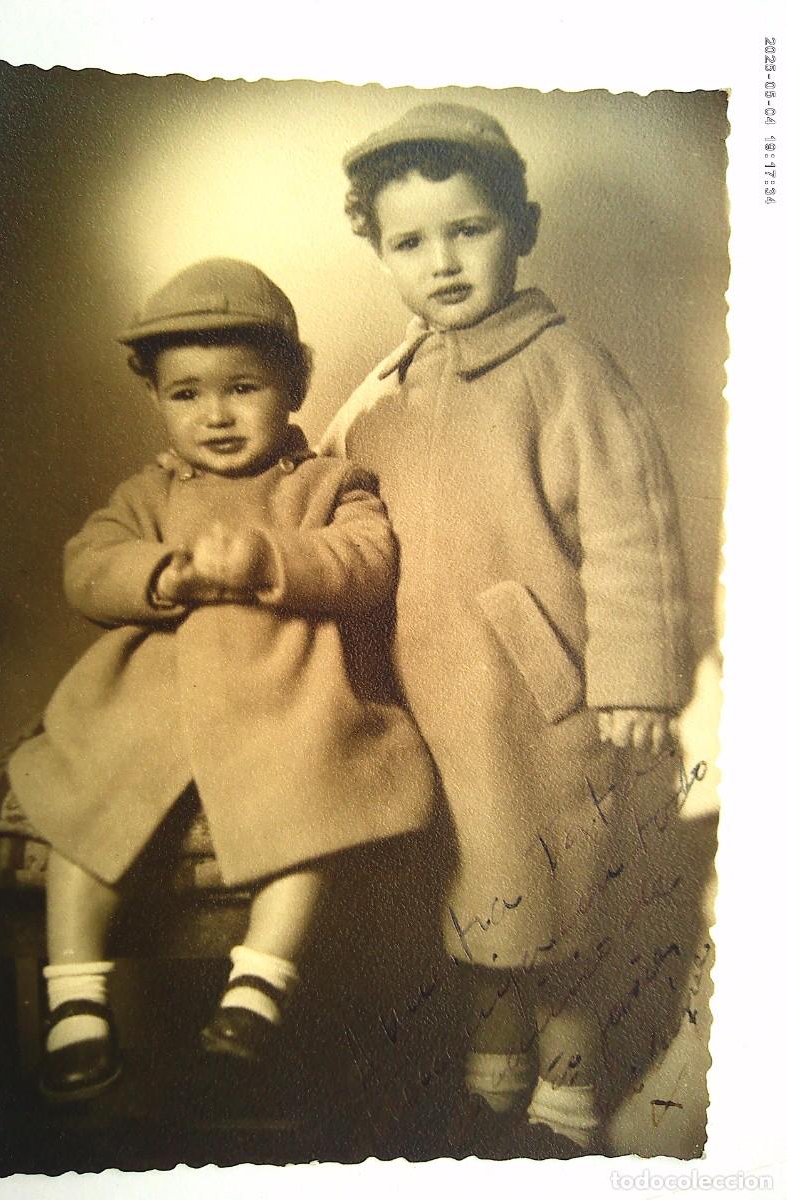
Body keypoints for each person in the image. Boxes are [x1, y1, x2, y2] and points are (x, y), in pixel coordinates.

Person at [320, 103, 691, 1156]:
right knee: (472, 883)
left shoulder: (565, 369)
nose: (442, 262)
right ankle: (492, 1071)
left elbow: (633, 529)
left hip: (539, 693)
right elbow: (327, 495)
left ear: (520, 228)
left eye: (468, 229)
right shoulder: (385, 391)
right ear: (381, 251)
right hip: (427, 693)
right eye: (410, 241)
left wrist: (637, 681)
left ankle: (569, 1079)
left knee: (559, 882)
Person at [8, 257, 435, 1102]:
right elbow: (87, 567)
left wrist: (272, 557)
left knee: (314, 807)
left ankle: (258, 981)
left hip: (286, 698)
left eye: (243, 387)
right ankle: (75, 995)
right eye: (186, 394)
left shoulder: (326, 483)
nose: (216, 415)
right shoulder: (149, 493)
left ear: (295, 384)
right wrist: (162, 574)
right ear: (157, 400)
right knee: (82, 808)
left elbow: (366, 562)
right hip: (152, 705)